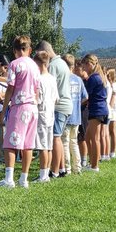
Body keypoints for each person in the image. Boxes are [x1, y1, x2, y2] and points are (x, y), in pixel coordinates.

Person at [0, 35, 40, 189]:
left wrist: (4, 109)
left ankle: (9, 179)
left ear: (14, 50)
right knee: (28, 144)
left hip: (19, 106)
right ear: (29, 49)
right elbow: (37, 88)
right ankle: (24, 178)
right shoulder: (35, 66)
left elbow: (10, 87)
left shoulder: (14, 65)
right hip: (32, 107)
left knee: (10, 143)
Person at [34, 41, 72, 178]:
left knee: (55, 138)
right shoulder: (62, 63)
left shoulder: (53, 66)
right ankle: (61, 168)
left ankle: (54, 171)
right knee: (57, 138)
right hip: (65, 104)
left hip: (58, 106)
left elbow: (48, 87)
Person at [33, 51, 59, 183]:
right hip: (50, 113)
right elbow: (56, 98)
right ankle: (46, 173)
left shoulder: (39, 79)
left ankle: (43, 175)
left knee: (42, 145)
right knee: (48, 145)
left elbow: (37, 99)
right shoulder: (52, 78)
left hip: (41, 113)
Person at [81, 54, 109, 172]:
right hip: (100, 109)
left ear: (89, 64)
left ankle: (94, 166)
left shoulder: (93, 78)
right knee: (87, 137)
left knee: (95, 138)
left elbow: (86, 95)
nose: (83, 69)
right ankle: (92, 162)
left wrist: (78, 104)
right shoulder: (100, 76)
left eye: (84, 67)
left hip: (97, 110)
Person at [61, 54, 87, 175]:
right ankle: (77, 167)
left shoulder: (63, 79)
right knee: (74, 142)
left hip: (65, 115)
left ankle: (67, 168)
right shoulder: (78, 79)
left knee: (65, 143)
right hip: (76, 116)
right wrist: (77, 104)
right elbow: (85, 97)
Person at [106, 69, 116, 158]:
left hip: (113, 111)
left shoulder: (114, 86)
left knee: (112, 131)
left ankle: (113, 151)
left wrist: (109, 109)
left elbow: (113, 100)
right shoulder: (110, 85)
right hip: (110, 111)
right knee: (108, 132)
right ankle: (108, 151)